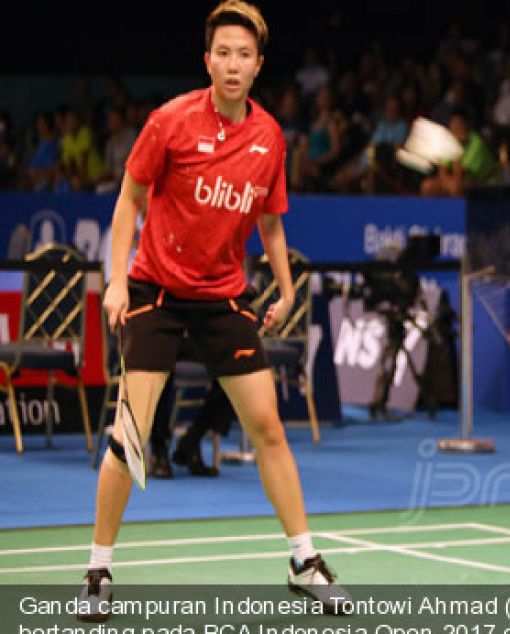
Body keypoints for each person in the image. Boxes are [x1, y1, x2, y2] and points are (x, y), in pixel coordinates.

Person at [78, 1, 347, 621]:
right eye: (222, 53)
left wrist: (283, 288)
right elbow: (127, 202)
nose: (232, 64)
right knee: (131, 438)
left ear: (257, 66)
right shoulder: (169, 122)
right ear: (208, 61)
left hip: (224, 296)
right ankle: (97, 569)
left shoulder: (269, 136)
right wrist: (116, 282)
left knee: (269, 429)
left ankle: (303, 561)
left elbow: (271, 221)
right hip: (157, 294)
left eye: (243, 55)